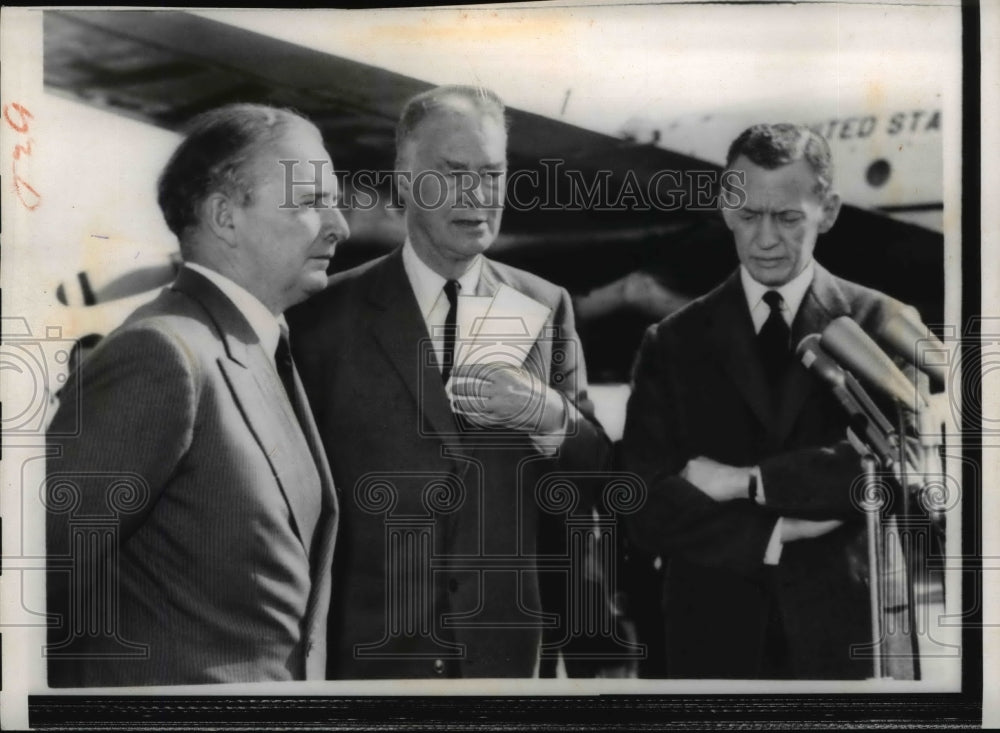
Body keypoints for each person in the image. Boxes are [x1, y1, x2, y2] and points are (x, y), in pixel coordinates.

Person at [289, 85, 612, 678]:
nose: (477, 196)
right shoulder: (321, 319)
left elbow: (597, 481)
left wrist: (551, 415)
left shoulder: (545, 306)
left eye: (492, 175)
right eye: (454, 173)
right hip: (369, 668)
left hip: (505, 668)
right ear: (405, 180)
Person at [45, 104, 350, 686]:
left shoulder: (253, 347)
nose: (340, 226)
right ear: (225, 218)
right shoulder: (161, 356)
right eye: (311, 202)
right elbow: (32, 584)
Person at [622, 123, 920, 679]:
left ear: (828, 211)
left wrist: (749, 482)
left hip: (852, 641)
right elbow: (642, 506)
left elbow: (901, 465)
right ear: (725, 208)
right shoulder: (672, 341)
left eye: (787, 218)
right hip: (712, 643)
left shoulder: (882, 323)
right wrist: (773, 534)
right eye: (748, 215)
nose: (764, 239)